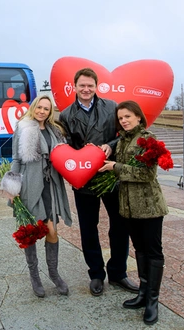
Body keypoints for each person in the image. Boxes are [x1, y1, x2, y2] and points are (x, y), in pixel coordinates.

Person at [57, 68, 137, 296]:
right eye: (82, 85)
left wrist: (111, 145)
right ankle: (96, 274)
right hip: (84, 179)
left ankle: (118, 273)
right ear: (74, 87)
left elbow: (124, 135)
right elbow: (65, 148)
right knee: (88, 228)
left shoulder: (112, 107)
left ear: (96, 86)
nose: (86, 89)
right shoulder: (65, 115)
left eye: (90, 85)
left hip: (111, 174)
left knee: (120, 225)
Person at [98, 100, 169, 325]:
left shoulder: (148, 140)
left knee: (153, 252)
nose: (124, 121)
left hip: (149, 207)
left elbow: (146, 174)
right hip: (128, 207)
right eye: (120, 118)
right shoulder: (122, 140)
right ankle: (142, 293)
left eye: (128, 116)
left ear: (139, 116)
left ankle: (152, 301)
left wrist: (115, 167)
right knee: (139, 250)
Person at [1, 94, 73, 297]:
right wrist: (12, 189)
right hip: (30, 186)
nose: (42, 111)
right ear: (33, 107)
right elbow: (16, 158)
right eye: (39, 107)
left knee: (52, 231)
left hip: (50, 186)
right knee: (31, 232)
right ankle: (35, 276)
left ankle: (53, 273)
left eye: (46, 109)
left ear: (51, 112)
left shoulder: (54, 130)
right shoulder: (23, 128)